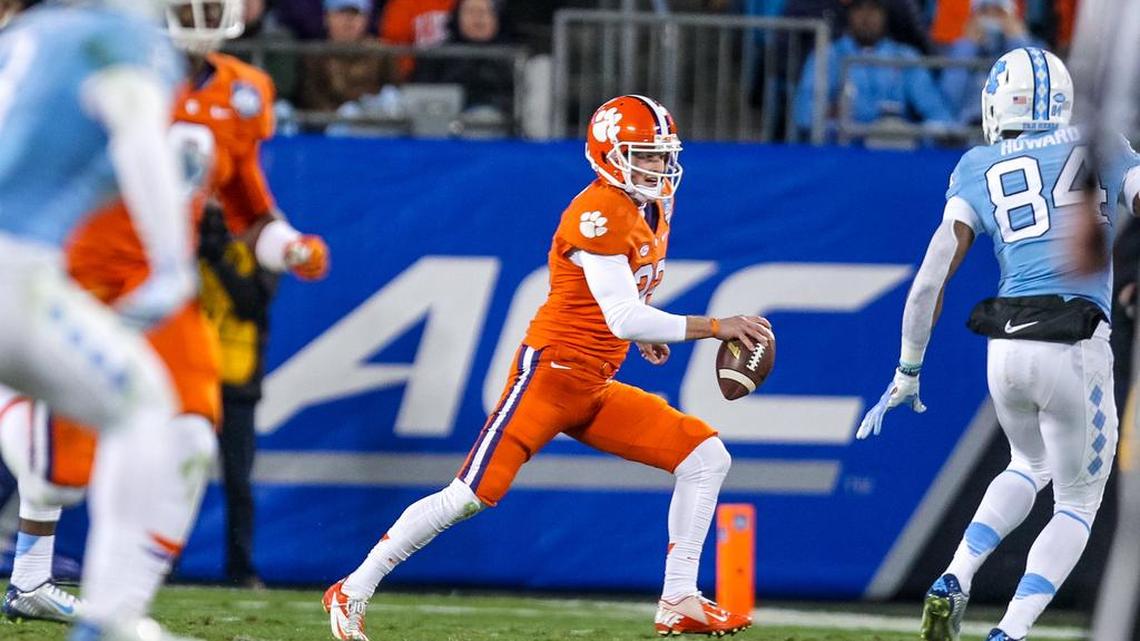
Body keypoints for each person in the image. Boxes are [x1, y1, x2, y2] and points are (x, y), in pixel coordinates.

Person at [321, 95, 772, 641]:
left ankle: (679, 598)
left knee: (705, 457)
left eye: (661, 155)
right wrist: (714, 325)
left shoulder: (654, 206)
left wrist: (651, 332)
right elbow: (624, 317)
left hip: (595, 383)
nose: (658, 166)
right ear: (610, 155)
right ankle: (352, 589)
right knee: (468, 496)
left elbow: (628, 303)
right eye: (645, 156)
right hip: (551, 375)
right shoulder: (598, 212)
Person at [0, 0, 330, 629]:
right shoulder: (111, 47)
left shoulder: (241, 94)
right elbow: (131, 140)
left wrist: (287, 246)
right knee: (60, 466)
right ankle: (43, 572)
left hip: (146, 287)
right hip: (66, 269)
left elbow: (248, 209)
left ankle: (113, 613)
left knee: (187, 437)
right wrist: (173, 260)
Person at [856, 48, 1140, 641]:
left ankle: (956, 574)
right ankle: (1010, 630)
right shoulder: (1101, 145)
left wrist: (908, 370)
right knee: (1077, 504)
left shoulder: (976, 164)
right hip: (1074, 339)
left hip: (1006, 344)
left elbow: (929, 282)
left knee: (1027, 463)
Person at [0, 0, 201, 639]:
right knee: (144, 406)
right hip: (14, 264)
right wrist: (173, 262)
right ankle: (109, 620)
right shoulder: (123, 40)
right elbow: (137, 130)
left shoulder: (27, 34)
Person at [197, 204, 278, 588]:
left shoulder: (268, 234)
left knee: (238, 481)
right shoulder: (188, 220)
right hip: (190, 373)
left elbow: (252, 303)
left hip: (237, 379)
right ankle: (158, 562)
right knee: (172, 473)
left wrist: (218, 258)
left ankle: (240, 566)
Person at [792, 0, 951, 135]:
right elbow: (805, 115)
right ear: (848, 14)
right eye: (859, 8)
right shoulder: (829, 55)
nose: (866, 17)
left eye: (874, 9)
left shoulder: (904, 56)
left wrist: (917, 133)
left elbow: (937, 113)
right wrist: (835, 124)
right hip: (843, 148)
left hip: (897, 147)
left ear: (885, 14)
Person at [940, 0, 1039, 126]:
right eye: (985, 12)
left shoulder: (1034, 48)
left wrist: (1018, 43)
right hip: (970, 127)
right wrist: (967, 45)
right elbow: (951, 98)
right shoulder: (961, 50)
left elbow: (1034, 95)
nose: (991, 18)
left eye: (998, 12)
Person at [412, 0, 514, 114]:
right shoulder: (437, 55)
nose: (478, 17)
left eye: (485, 11)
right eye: (471, 11)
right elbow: (419, 94)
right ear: (457, 17)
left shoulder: (512, 57)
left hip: (495, 119)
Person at [297, 0, 394, 112]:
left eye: (356, 14)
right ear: (327, 17)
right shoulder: (314, 56)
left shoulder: (380, 52)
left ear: (366, 19)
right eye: (341, 12)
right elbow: (312, 101)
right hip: (331, 119)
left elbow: (393, 88)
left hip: (375, 117)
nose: (349, 20)